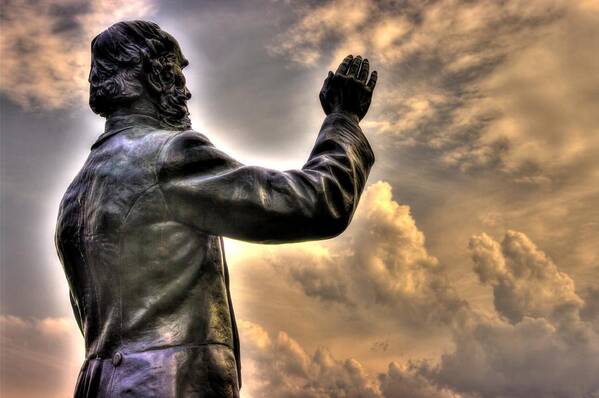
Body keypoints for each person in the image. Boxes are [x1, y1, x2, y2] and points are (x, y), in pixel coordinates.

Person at [55, 20, 377, 397]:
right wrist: (343, 121)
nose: (186, 92)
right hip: (169, 386)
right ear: (155, 77)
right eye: (176, 73)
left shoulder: (76, 194)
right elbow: (316, 204)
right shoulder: (168, 156)